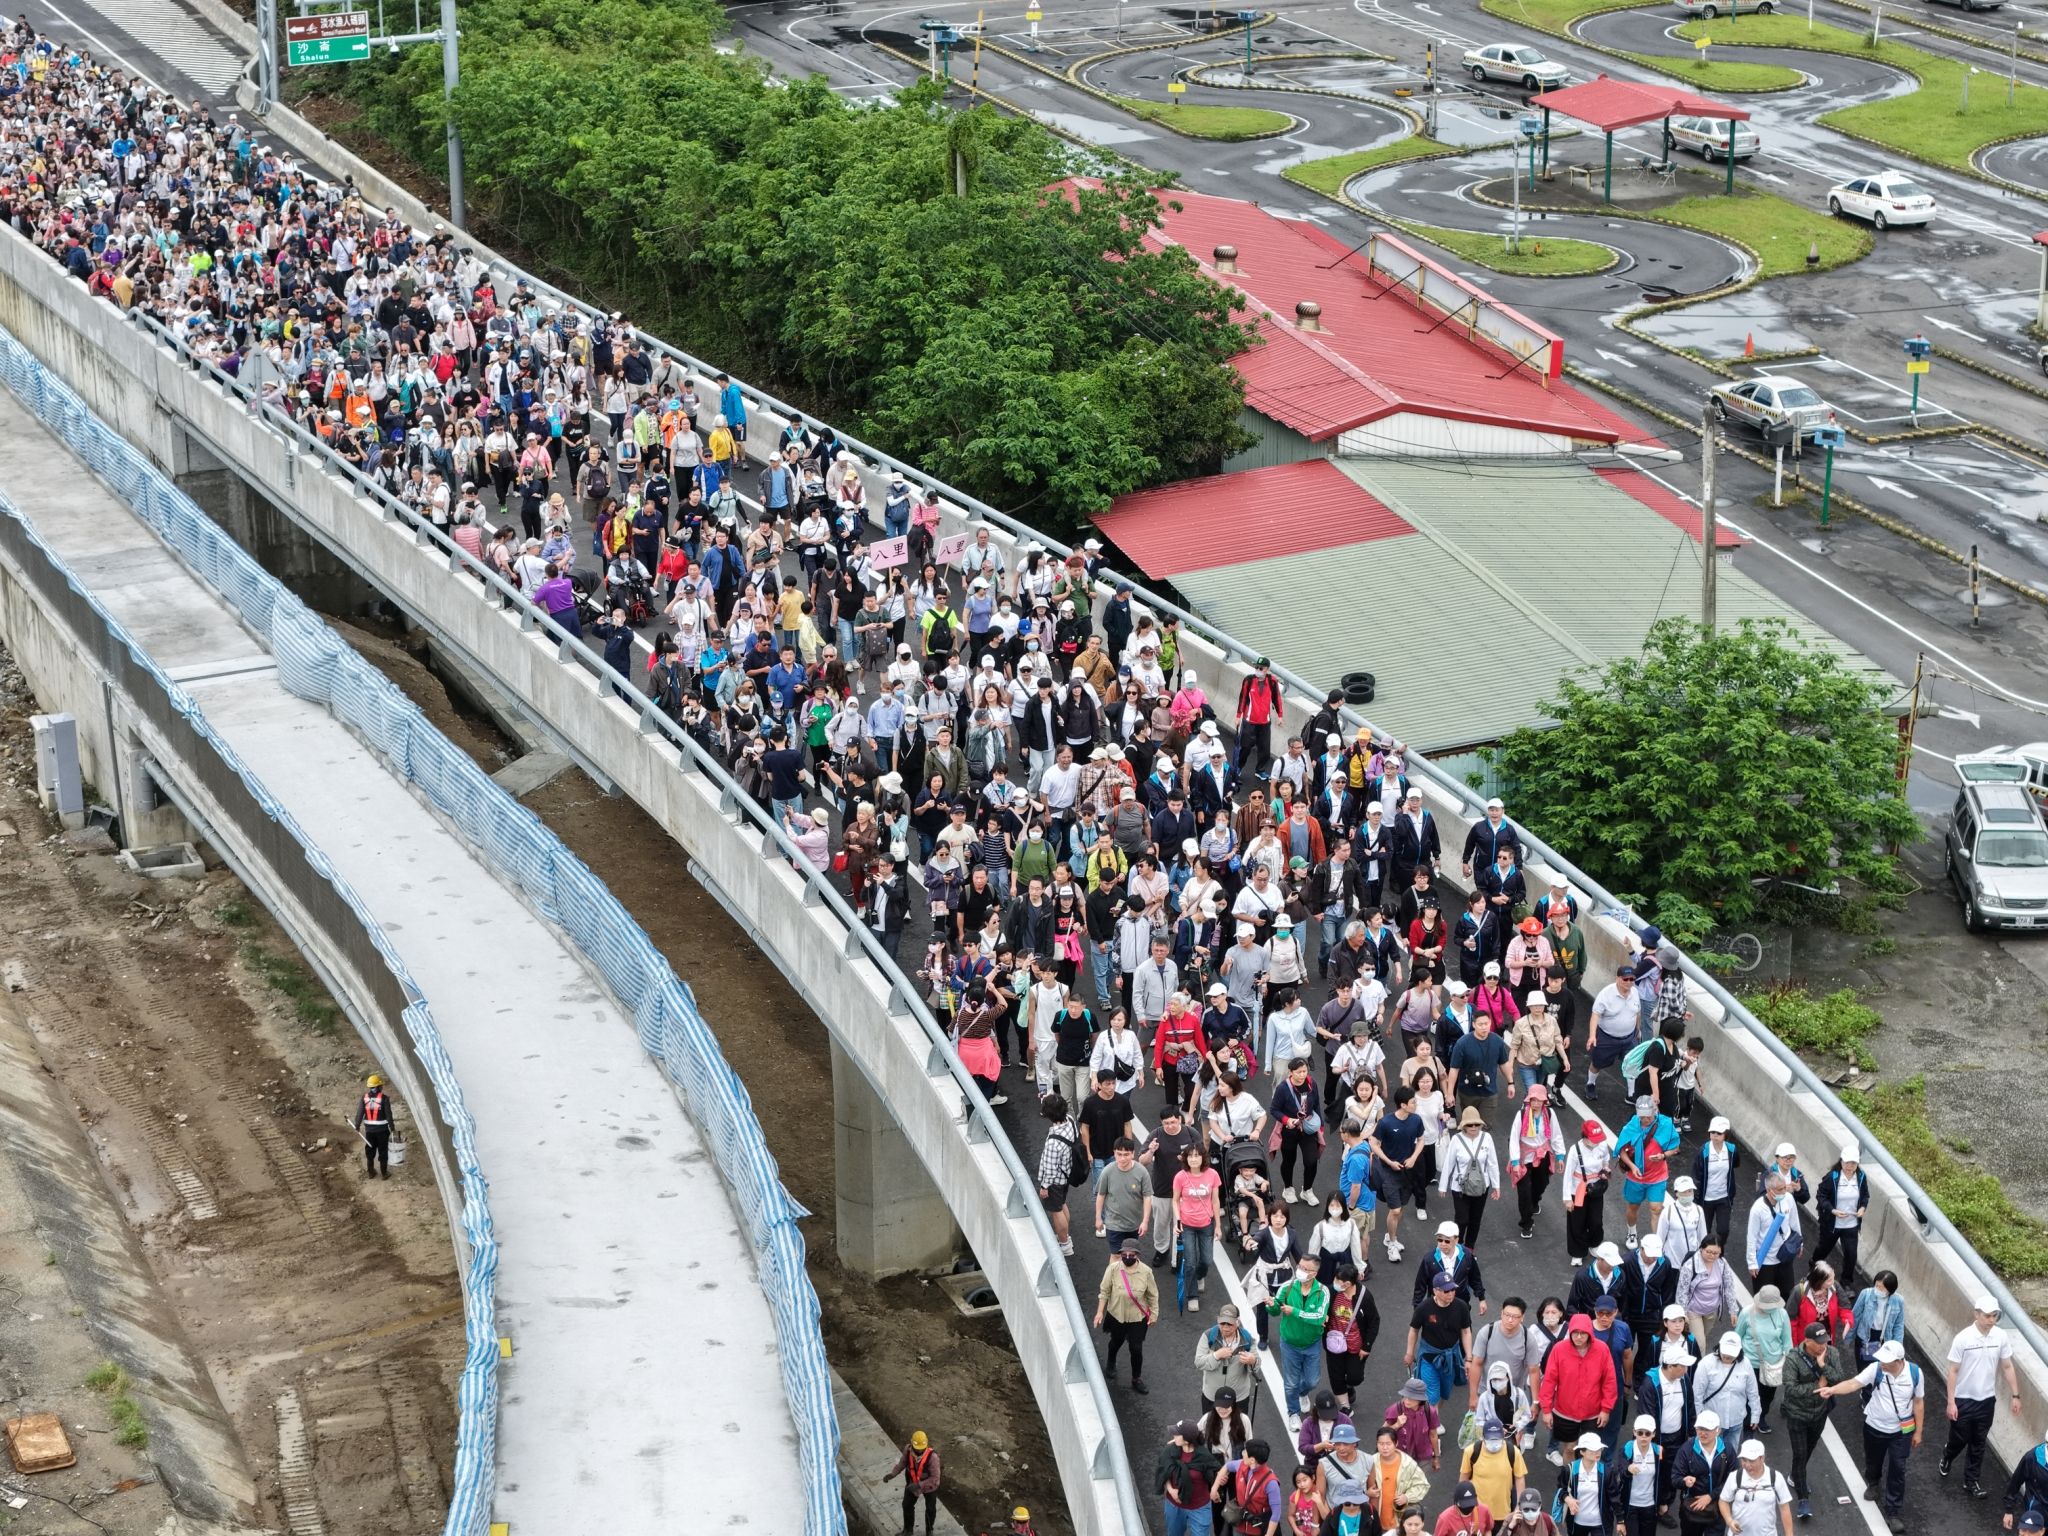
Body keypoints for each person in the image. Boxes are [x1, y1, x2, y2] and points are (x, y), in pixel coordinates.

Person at [1819, 1338, 1923, 1533]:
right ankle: (1873, 1483)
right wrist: (1832, 1389)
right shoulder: (1876, 1369)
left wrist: (1918, 1431)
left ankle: (1893, 1511)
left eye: (1886, 1361)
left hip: (1901, 1432)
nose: (1882, 1363)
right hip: (1874, 1426)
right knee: (1873, 1460)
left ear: (1898, 1361)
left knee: (1898, 1469)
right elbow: (1853, 1384)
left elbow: (1918, 1402)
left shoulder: (1915, 1374)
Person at [1942, 1293, 2021, 1500]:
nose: (1991, 1320)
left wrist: (2016, 1395)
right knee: (1960, 1439)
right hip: (1964, 1399)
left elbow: (2007, 1366)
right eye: (1987, 1316)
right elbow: (1953, 1372)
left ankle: (1971, 1481)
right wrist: (1951, 1402)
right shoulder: (1963, 1338)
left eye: (1995, 1316)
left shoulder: (2000, 1336)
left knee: (1979, 1441)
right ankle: (1948, 1455)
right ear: (1976, 1314)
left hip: (1987, 1400)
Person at [1780, 1322, 1847, 1522]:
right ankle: (1803, 1498)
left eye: (1824, 1341)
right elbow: (1790, 1389)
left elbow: (1839, 1379)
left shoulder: (1831, 1353)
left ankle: (1794, 1476)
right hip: (1797, 1416)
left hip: (1819, 1414)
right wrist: (1817, 1386)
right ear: (1807, 1341)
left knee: (1808, 1451)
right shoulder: (1792, 1359)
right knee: (1800, 1455)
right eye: (1818, 1343)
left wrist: (1823, 1366)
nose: (1822, 1346)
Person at [1539, 1315, 1618, 1462]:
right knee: (1569, 1448)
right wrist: (1547, 1410)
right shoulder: (1559, 1349)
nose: (1579, 1337)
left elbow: (1609, 1381)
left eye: (1583, 1333)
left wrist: (1606, 1409)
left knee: (1590, 1451)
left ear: (1590, 1333)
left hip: (1593, 1413)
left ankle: (1586, 1481)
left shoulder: (1602, 1350)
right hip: (1565, 1412)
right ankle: (1568, 1481)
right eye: (1575, 1333)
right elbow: (1549, 1380)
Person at [1273, 1254, 1332, 1426]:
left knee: (1312, 1380)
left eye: (1305, 1269)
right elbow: (1276, 1310)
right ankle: (1293, 1413)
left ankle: (1302, 1393)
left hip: (1311, 1343)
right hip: (1289, 1343)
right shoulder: (1287, 1287)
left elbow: (1319, 1317)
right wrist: (1271, 1305)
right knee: (1290, 1383)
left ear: (1314, 1273)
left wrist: (1296, 1312)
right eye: (1299, 1266)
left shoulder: (1322, 1291)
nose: (1300, 1270)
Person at [1440, 1106, 1502, 1248]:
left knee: (1475, 1219)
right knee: (1461, 1219)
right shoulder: (1456, 1140)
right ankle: (1458, 1245)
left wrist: (1496, 1186)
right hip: (1459, 1187)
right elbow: (1448, 1163)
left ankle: (1469, 1248)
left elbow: (1492, 1163)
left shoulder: (1487, 1138)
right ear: (1464, 1126)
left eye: (1476, 1124)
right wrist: (1443, 1186)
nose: (1474, 1127)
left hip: (1481, 1186)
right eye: (1470, 1124)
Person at [1810, 1144, 1869, 1287]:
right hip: (1832, 1224)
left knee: (1851, 1256)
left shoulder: (1861, 1177)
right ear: (1841, 1161)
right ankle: (1813, 1271)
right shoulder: (1833, 1177)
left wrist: (1862, 1208)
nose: (1849, 1166)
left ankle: (1846, 1283)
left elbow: (1865, 1196)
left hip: (1851, 1225)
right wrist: (1832, 1210)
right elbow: (1821, 1195)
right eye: (1847, 1162)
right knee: (1823, 1250)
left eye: (1853, 1163)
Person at [1668, 1411, 1735, 1536]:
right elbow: (1675, 1477)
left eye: (1707, 1429)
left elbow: (1733, 1479)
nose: (1702, 1433)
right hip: (1692, 1508)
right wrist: (1684, 1481)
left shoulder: (1728, 1449)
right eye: (1700, 1429)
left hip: (1718, 1507)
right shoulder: (1686, 1449)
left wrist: (1710, 1496)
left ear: (1718, 1431)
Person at [1737, 1287, 1792, 1434]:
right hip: (1751, 1364)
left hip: (1773, 1365)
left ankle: (1761, 1416)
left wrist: (1789, 1361)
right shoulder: (1746, 1313)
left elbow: (1787, 1341)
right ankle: (1749, 1424)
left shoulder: (1782, 1314)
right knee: (1751, 1395)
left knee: (1768, 1396)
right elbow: (1737, 1336)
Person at [1176, 1143, 1224, 1309]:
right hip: (1187, 1224)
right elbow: (1175, 1200)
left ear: (1203, 1157)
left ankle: (1200, 1275)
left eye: (1197, 1155)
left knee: (1206, 1260)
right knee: (1189, 1261)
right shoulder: (1180, 1176)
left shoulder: (1212, 1175)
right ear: (1185, 1158)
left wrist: (1218, 1225)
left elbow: (1216, 1201)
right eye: (1190, 1156)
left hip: (1206, 1223)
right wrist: (1178, 1220)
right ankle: (1192, 1295)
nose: (1193, 1159)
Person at [1159, 1420, 1226, 1536]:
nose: (1173, 1436)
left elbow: (1221, 1471)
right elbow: (1164, 1472)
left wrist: (1215, 1488)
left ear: (1186, 1440)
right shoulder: (1170, 1450)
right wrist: (1171, 1490)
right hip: (1174, 1506)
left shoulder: (1203, 1456)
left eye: (1177, 1434)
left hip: (1199, 1508)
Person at [1717, 1440, 1794, 1536]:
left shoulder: (1776, 1478)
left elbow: (1784, 1509)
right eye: (1744, 1460)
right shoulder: (1735, 1477)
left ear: (1762, 1458)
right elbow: (1723, 1501)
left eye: (1752, 1461)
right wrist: (1729, 1521)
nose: (1747, 1465)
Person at [1197, 1303, 1264, 1412]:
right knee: (1210, 1428)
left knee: (1237, 1429)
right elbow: (1199, 1362)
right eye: (1222, 1323)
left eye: (1230, 1324)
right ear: (1218, 1320)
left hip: (1238, 1398)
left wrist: (1252, 1361)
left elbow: (1255, 1368)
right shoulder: (1208, 1336)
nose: (1225, 1327)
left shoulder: (1247, 1339)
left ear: (1237, 1322)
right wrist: (1216, 1355)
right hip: (1212, 1396)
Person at [1745, 1172, 1802, 1301]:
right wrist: (1752, 1263)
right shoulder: (1758, 1209)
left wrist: (1800, 1243)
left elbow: (1794, 1222)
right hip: (1766, 1262)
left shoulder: (1788, 1199)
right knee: (1764, 1298)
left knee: (1787, 1295)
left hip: (1784, 1257)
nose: (1784, 1191)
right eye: (1780, 1189)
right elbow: (1752, 1237)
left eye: (1784, 1187)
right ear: (1770, 1190)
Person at [1037, 1093, 1081, 1256]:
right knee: (1061, 1204)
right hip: (1067, 1174)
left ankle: (1064, 1244)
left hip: (1055, 1181)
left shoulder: (1053, 1142)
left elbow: (1049, 1168)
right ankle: (1065, 1235)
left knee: (1056, 1211)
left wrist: (1044, 1187)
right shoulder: (1070, 1120)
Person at [1462, 1423, 1528, 1525]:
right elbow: (1463, 1482)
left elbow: (1520, 1479)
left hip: (1503, 1515)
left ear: (1504, 1435)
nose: (1493, 1443)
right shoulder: (1471, 1452)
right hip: (1477, 1514)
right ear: (1482, 1436)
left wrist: (1518, 1507)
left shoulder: (1513, 1452)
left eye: (1496, 1439)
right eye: (1490, 1439)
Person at [1554, 1431, 1618, 1534]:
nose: (1598, 1452)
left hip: (1600, 1524)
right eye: (1593, 1450)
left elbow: (1614, 1497)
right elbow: (1560, 1490)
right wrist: (1567, 1499)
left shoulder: (1607, 1472)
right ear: (1582, 1452)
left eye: (1599, 1449)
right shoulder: (1569, 1470)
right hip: (1576, 1523)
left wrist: (1620, 1520)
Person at [881, 1429, 942, 1536]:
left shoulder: (933, 1458)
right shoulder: (908, 1450)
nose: (919, 1451)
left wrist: (919, 1485)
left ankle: (929, 1531)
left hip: (929, 1486)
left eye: (921, 1449)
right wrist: (892, 1474)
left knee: (930, 1508)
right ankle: (908, 1531)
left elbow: (935, 1478)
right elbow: (902, 1463)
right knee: (907, 1505)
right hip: (912, 1482)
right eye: (917, 1448)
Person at [354, 1073, 397, 1179]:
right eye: (381, 1085)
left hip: (369, 1132)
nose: (382, 1087)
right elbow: (388, 1115)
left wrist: (357, 1125)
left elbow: (359, 1114)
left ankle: (371, 1172)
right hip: (382, 1131)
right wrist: (392, 1127)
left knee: (370, 1151)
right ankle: (384, 1173)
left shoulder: (364, 1098)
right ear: (378, 1087)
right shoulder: (384, 1098)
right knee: (383, 1151)